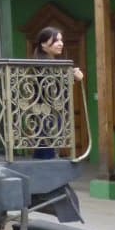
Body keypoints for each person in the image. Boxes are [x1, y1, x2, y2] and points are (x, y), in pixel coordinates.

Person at [32, 26, 83, 159]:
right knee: (47, 151)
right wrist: (72, 76)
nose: (60, 43)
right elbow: (51, 83)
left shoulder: (48, 61)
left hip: (51, 111)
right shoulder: (41, 62)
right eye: (55, 41)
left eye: (61, 40)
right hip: (47, 112)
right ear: (43, 44)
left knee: (46, 149)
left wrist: (70, 75)